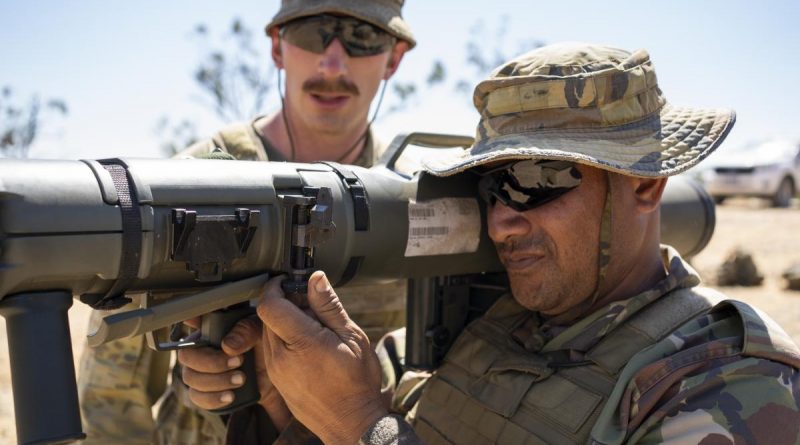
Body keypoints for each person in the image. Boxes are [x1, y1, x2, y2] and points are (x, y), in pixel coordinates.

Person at [186, 42, 800, 443]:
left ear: (643, 186)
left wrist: (360, 425)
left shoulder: (729, 383)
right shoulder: (471, 328)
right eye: (491, 186)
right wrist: (284, 406)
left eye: (536, 181)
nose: (503, 221)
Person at [77, 1, 415, 443]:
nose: (332, 64)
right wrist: (202, 374)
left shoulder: (410, 195)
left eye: (362, 38)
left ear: (394, 57)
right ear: (277, 47)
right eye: (312, 34)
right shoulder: (190, 182)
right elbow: (111, 396)